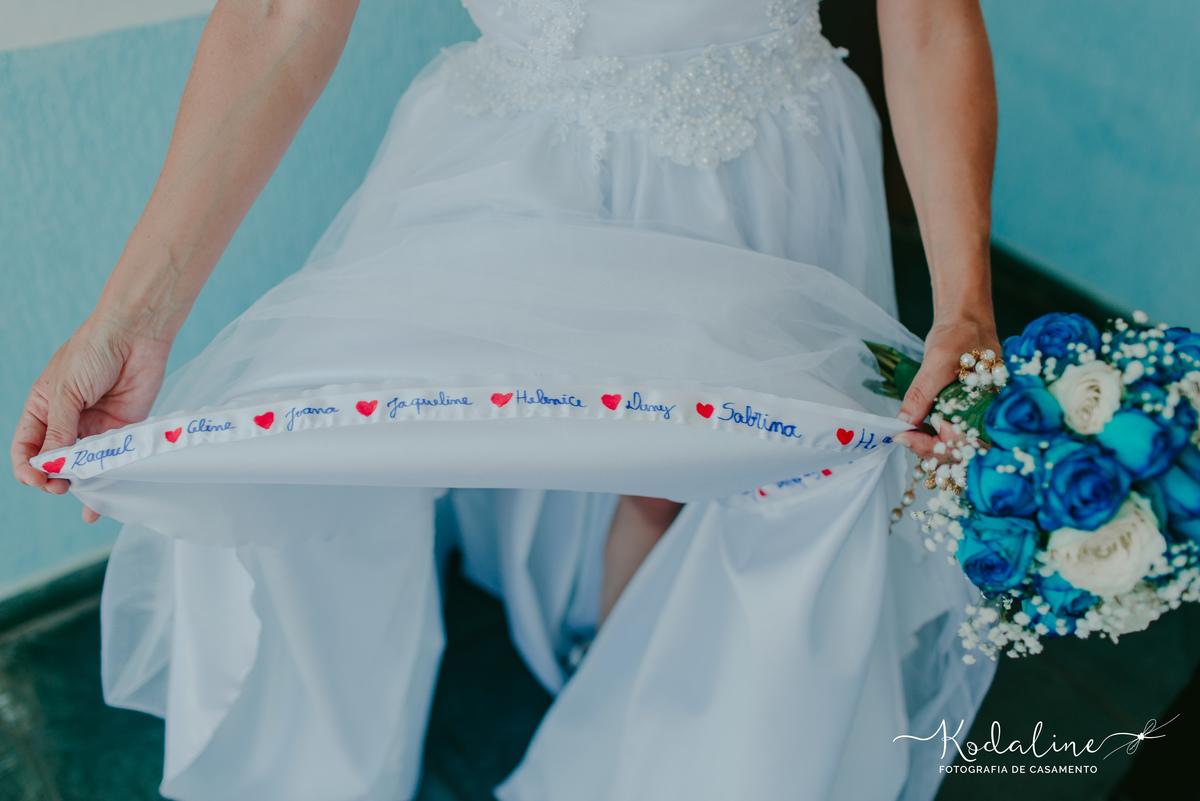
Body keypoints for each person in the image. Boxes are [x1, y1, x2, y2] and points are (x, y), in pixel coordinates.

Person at [11, 0, 1001, 799]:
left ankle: (639, 723)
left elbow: (925, 16)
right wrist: (129, 321)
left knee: (706, 490)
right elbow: (281, 11)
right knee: (331, 437)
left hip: (760, 159)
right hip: (507, 149)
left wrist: (966, 302)